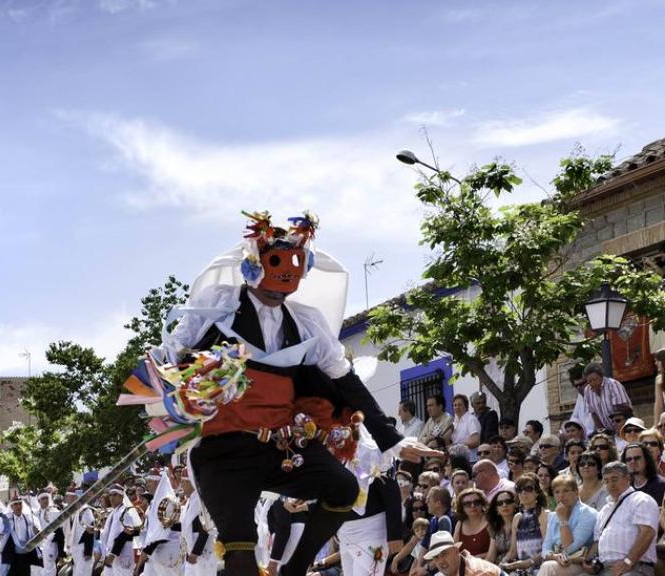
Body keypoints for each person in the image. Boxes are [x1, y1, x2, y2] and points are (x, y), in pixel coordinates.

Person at [152, 211, 437, 576]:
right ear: (253, 268)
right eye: (271, 284)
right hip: (224, 452)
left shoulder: (305, 322)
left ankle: (295, 570)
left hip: (281, 447)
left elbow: (345, 379)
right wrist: (180, 373)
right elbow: (172, 354)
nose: (277, 295)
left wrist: (391, 440)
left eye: (286, 287)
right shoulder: (219, 306)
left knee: (345, 489)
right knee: (240, 556)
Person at [582, 461, 658, 575]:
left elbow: (647, 533)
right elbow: (597, 542)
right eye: (606, 481)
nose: (611, 484)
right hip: (604, 570)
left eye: (614, 479)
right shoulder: (604, 510)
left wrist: (628, 561)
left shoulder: (641, 500)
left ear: (627, 478)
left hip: (635, 567)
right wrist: (589, 561)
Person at [535, 476, 596, 576]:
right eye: (557, 492)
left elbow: (569, 547)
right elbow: (545, 549)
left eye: (566, 491)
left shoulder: (588, 513)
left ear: (576, 492)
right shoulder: (554, 516)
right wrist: (555, 556)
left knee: (548, 567)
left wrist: (563, 519)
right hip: (558, 561)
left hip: (580, 564)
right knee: (548, 565)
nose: (561, 496)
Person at [501, 473, 547, 573]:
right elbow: (513, 551)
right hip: (521, 568)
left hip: (541, 567)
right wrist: (503, 562)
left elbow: (547, 549)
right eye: (519, 489)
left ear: (537, 492)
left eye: (528, 488)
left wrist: (527, 563)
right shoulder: (517, 517)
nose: (523, 492)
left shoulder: (544, 514)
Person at [100, 485, 141, 576]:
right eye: (110, 495)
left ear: (121, 497)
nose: (111, 498)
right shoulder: (114, 513)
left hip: (123, 555)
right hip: (111, 555)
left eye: (115, 495)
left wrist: (113, 554)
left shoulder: (126, 512)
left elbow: (126, 534)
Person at [582, 362, 633, 435]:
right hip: (608, 432)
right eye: (589, 381)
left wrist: (619, 427)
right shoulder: (587, 391)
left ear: (601, 376)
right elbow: (594, 414)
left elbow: (623, 409)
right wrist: (602, 432)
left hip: (625, 429)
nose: (593, 383)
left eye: (595, 379)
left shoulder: (613, 385)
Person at [422, 531, 502, 575]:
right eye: (436, 557)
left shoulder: (477, 572)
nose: (441, 561)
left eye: (444, 554)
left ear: (456, 552)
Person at [180, 488, 216, 576]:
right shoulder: (190, 500)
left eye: (184, 482)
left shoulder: (201, 499)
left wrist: (195, 552)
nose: (182, 485)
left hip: (202, 552)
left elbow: (205, 527)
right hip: (191, 550)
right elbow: (186, 526)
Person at [61, 490, 96, 576]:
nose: (67, 500)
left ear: (75, 498)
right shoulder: (71, 511)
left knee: (83, 573)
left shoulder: (85, 509)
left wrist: (88, 551)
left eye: (69, 497)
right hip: (75, 548)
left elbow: (90, 530)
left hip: (83, 548)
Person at [452, 489, 490, 558]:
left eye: (476, 502)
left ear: (482, 504)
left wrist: (474, 558)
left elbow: (495, 551)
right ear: (462, 508)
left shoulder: (490, 521)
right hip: (465, 565)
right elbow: (454, 550)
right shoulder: (460, 523)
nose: (472, 506)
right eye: (467, 504)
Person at [485, 489, 516, 565]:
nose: (504, 505)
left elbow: (513, 552)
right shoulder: (495, 527)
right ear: (497, 509)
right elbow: (491, 557)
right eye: (500, 503)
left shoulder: (522, 522)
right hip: (499, 565)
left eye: (508, 501)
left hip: (516, 564)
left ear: (515, 504)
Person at [451, 394, 482, 461]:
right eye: (455, 405)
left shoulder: (471, 419)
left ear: (466, 406)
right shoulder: (454, 422)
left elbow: (475, 441)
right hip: (458, 459)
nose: (457, 407)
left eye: (460, 405)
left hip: (471, 459)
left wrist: (455, 446)